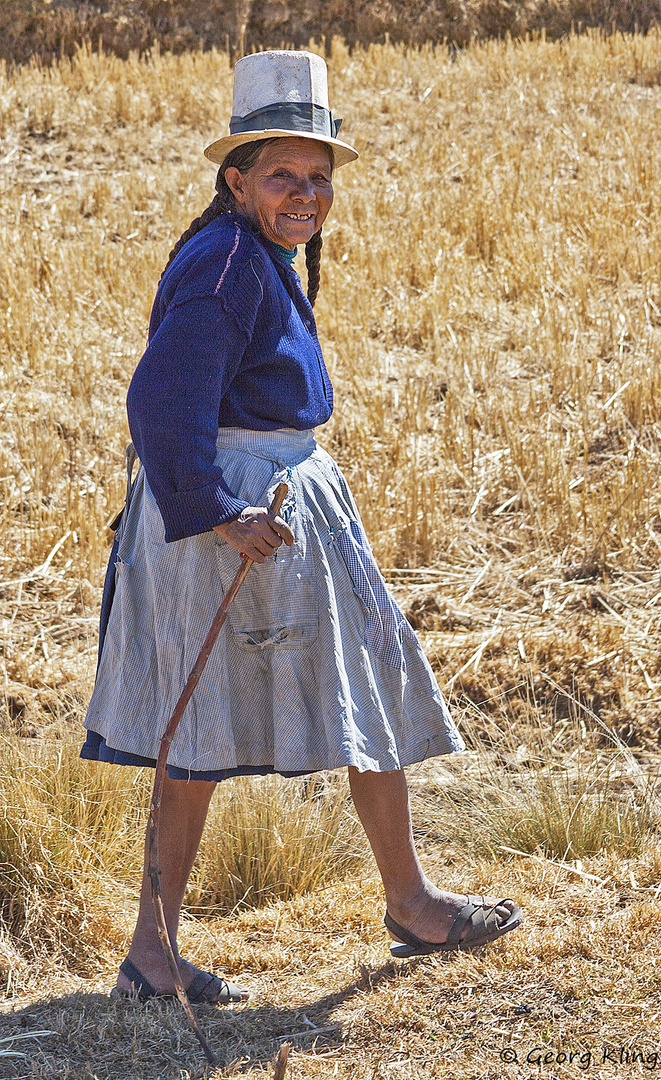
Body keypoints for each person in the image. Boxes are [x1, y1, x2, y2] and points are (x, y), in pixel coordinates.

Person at [81, 49, 523, 1004]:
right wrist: (220, 510)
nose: (307, 194)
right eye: (284, 174)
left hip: (273, 502)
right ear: (235, 180)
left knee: (351, 682)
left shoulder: (253, 254)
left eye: (320, 178)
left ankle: (401, 900)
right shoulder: (229, 262)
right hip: (236, 516)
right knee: (203, 726)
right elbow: (160, 405)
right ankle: (159, 955)